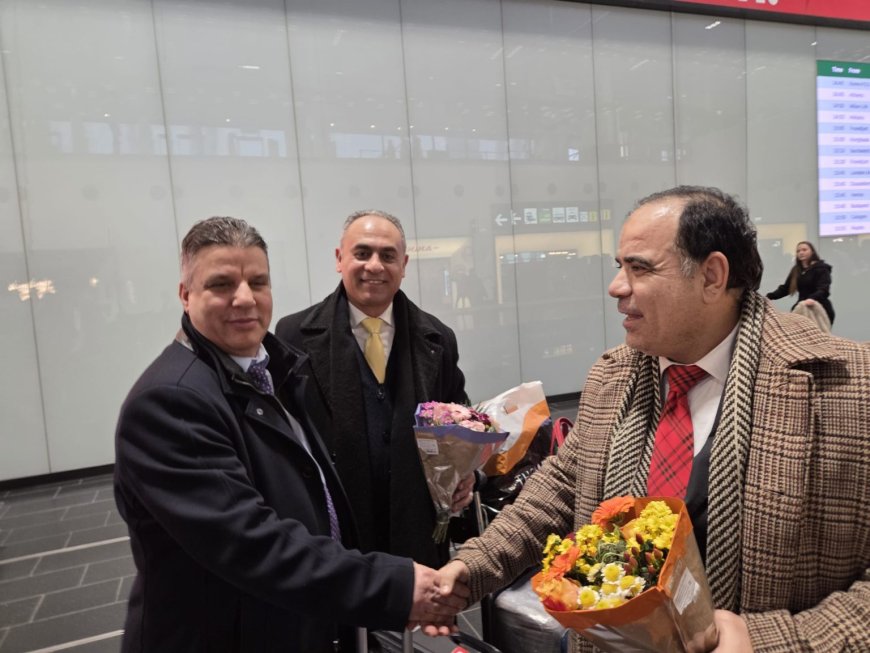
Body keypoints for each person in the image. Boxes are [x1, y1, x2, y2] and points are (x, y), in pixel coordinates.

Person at [432, 187, 870, 652]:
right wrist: (474, 566)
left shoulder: (847, 388)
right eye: (619, 266)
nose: (616, 287)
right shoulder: (614, 376)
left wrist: (773, 643)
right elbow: (562, 487)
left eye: (639, 268)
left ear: (712, 276)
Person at [113, 216, 466, 653]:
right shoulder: (171, 402)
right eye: (222, 284)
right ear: (186, 295)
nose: (245, 298)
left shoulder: (270, 370)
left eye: (257, 282)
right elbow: (251, 543)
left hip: (297, 612)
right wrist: (392, 586)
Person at [275, 210, 473, 569]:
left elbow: (460, 418)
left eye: (388, 255)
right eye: (362, 253)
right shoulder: (292, 337)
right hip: (336, 538)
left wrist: (467, 472)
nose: (375, 266)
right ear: (340, 259)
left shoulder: (438, 338)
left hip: (417, 533)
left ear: (404, 265)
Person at [766, 240, 835, 327]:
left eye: (804, 250)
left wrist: (812, 299)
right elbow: (786, 288)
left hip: (819, 309)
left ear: (812, 252)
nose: (801, 252)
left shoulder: (821, 268)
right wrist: (769, 297)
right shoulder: (796, 270)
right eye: (798, 251)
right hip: (802, 309)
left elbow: (823, 289)